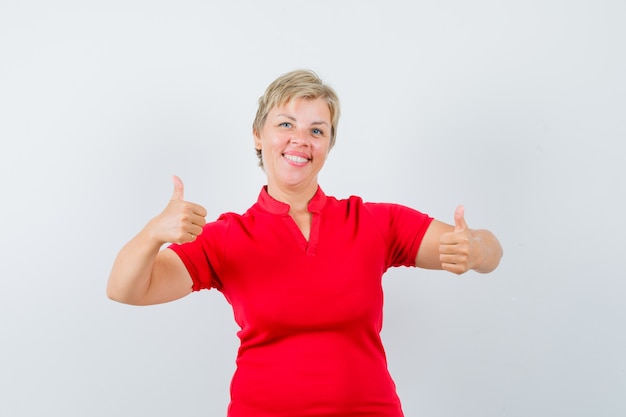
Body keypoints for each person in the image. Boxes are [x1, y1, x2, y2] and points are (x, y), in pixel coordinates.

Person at [107, 69, 503, 417]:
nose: (300, 140)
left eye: (317, 130)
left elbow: (488, 249)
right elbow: (125, 290)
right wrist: (152, 233)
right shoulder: (226, 237)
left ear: (328, 146)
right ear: (258, 136)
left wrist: (476, 250)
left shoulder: (373, 222)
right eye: (285, 124)